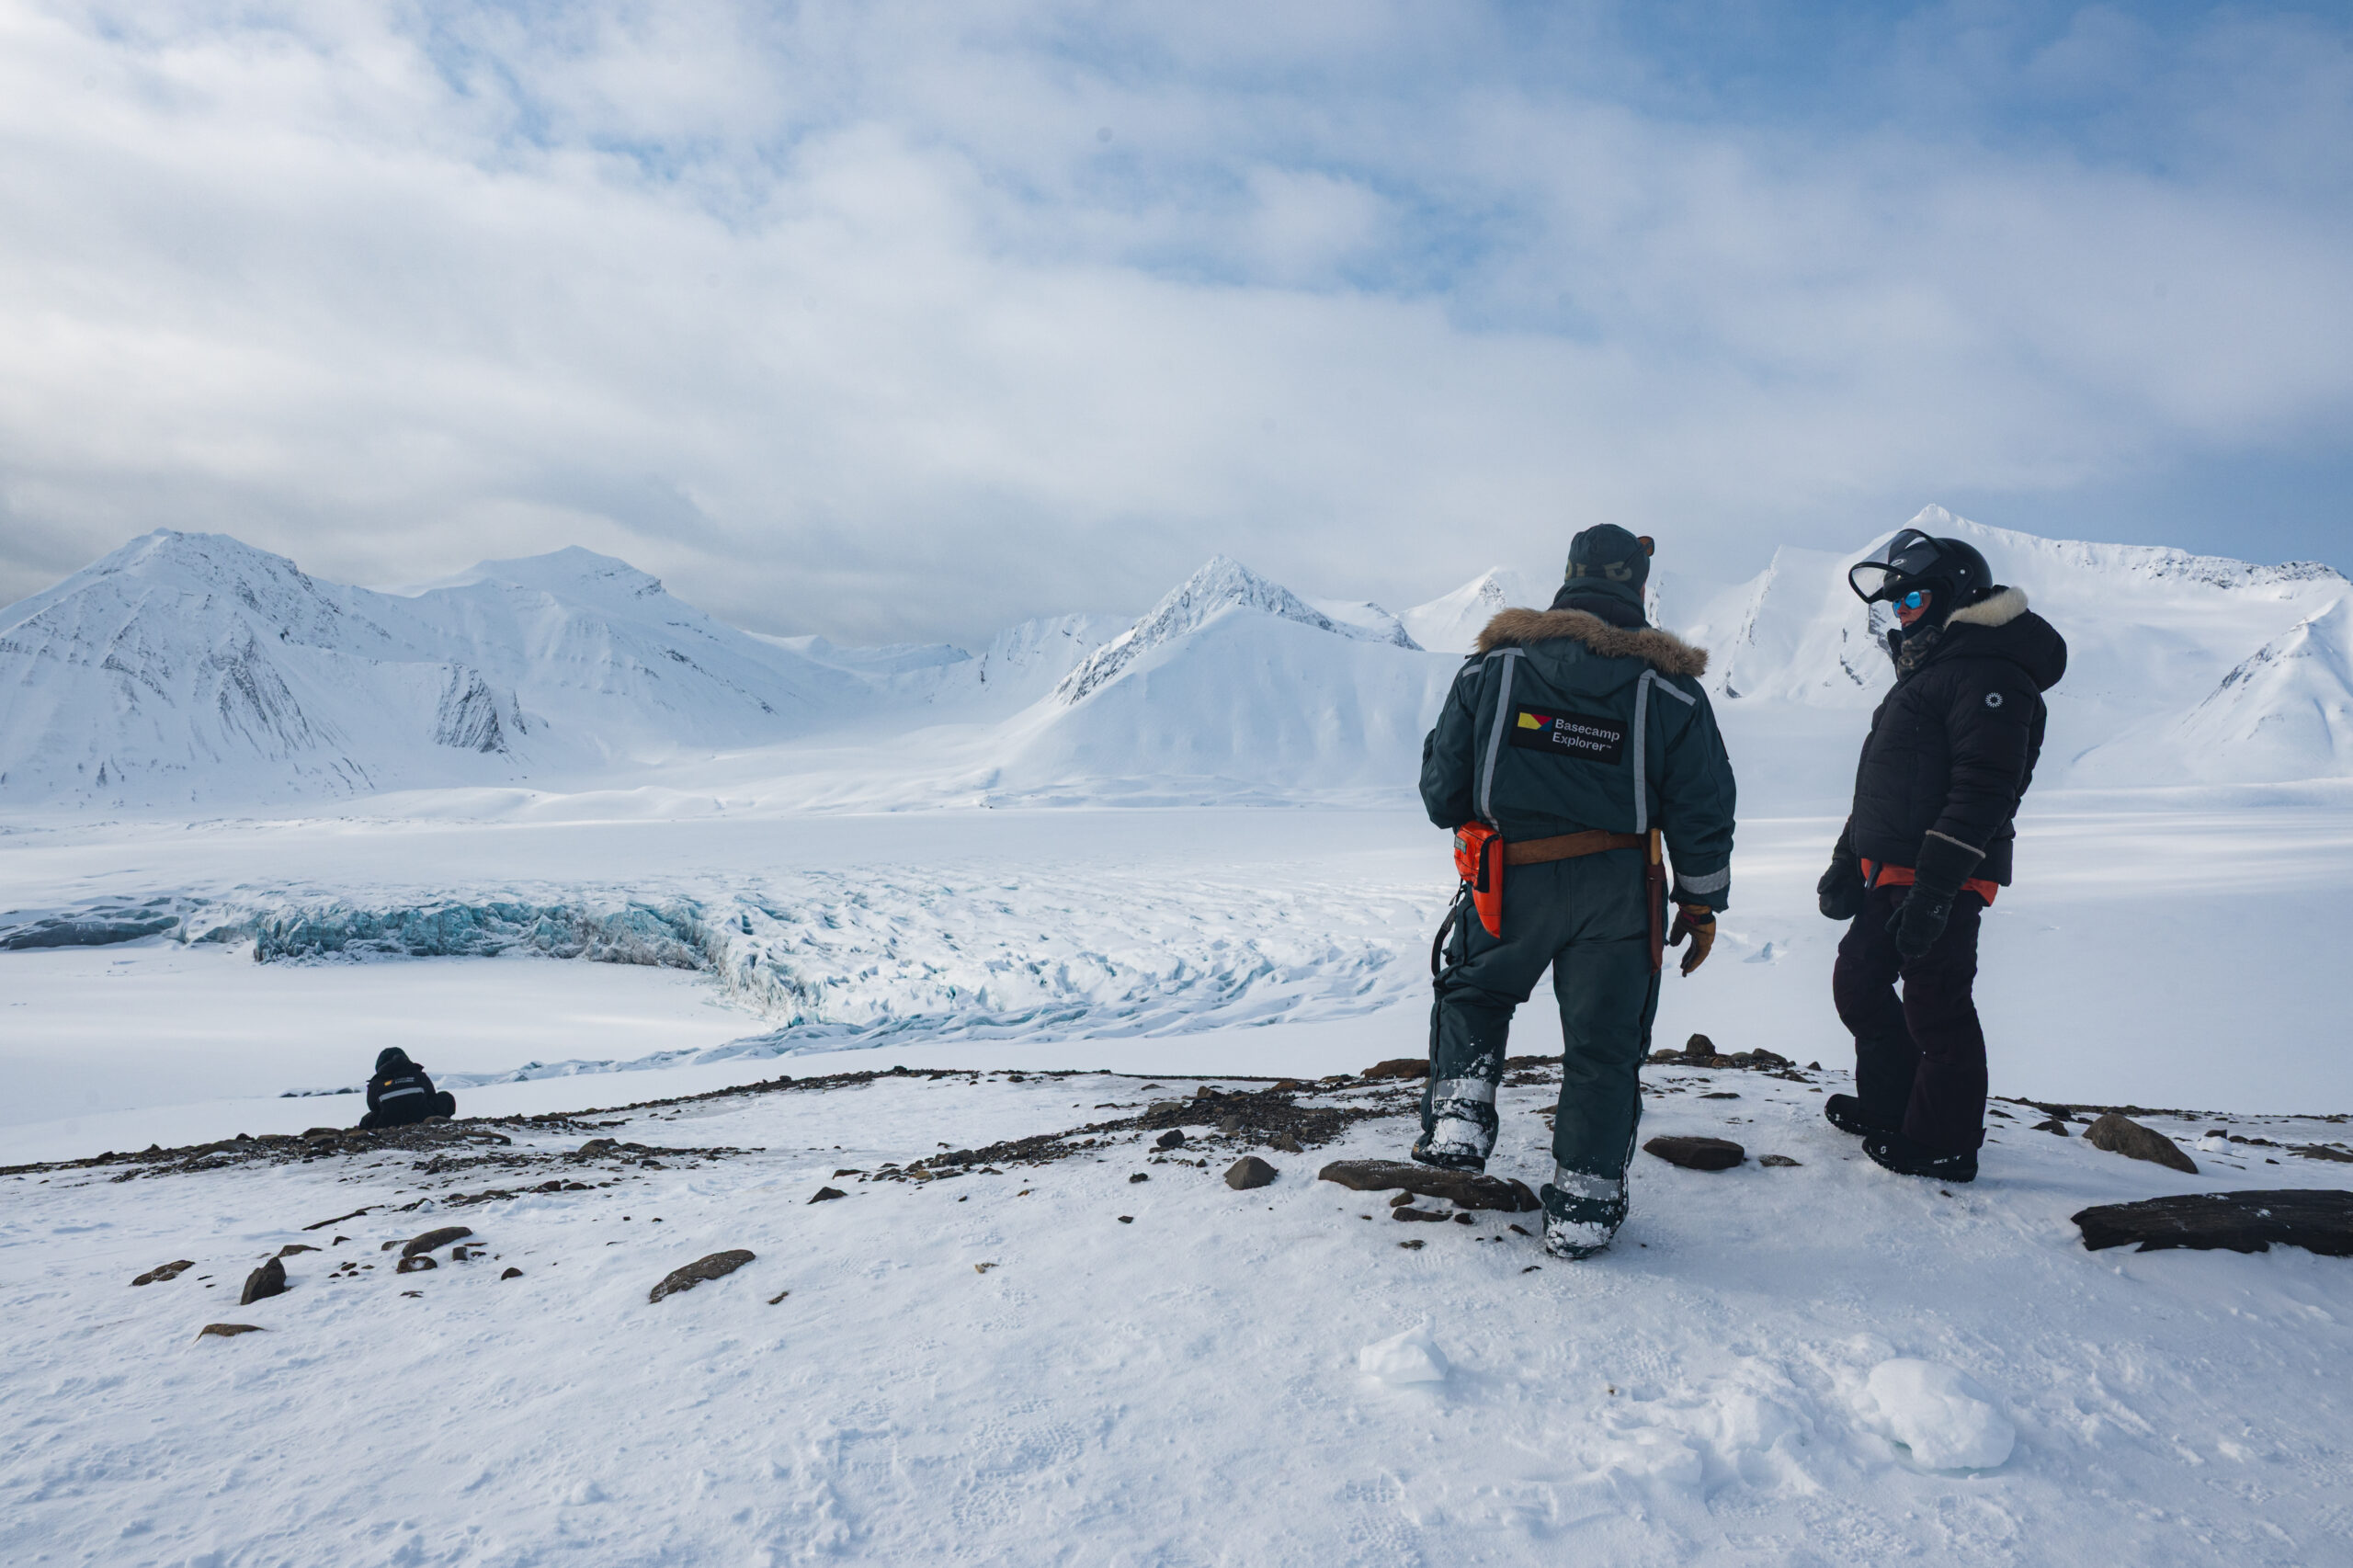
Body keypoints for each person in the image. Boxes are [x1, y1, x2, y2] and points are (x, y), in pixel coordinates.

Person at [1418, 525, 1737, 1259]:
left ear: (1568, 578)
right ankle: (1585, 1209)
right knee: (1603, 1048)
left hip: (1508, 880)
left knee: (1475, 992)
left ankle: (1460, 1118)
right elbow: (1704, 805)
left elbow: (1442, 794)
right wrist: (1700, 901)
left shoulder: (1491, 672)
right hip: (1621, 896)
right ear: (1638, 588)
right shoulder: (1673, 692)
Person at [1817, 528, 2067, 1182]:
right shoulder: (1929, 675)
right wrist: (1848, 859)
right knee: (1859, 983)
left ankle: (1945, 1141)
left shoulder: (1992, 674)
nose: (1902, 616)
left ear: (1951, 594)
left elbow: (1987, 788)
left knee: (1937, 1005)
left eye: (1912, 600)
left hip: (1946, 877)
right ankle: (1893, 1106)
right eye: (1894, 606)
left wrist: (1935, 888)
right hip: (1891, 870)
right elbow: (1881, 781)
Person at [358, 1047, 457, 1129]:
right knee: (445, 1097)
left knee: (367, 1119)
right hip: (424, 1116)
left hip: (388, 1122)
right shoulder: (418, 1074)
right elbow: (431, 1094)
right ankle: (441, 1124)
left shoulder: (376, 1082)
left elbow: (373, 1106)